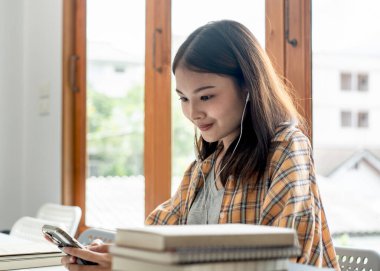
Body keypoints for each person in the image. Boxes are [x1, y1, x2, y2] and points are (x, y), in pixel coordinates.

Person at [60, 20, 339, 270]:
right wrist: (117, 255)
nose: (193, 113)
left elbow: (283, 262)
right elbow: (158, 237)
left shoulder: (287, 148)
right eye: (183, 98)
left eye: (205, 97)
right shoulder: (204, 166)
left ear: (247, 87)